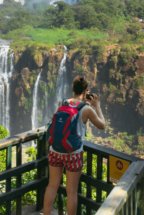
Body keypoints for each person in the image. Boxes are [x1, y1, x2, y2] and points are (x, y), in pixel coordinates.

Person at [43, 76, 105, 215]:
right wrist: (97, 106)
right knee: (71, 191)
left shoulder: (62, 102)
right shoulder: (86, 109)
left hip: (55, 150)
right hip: (73, 153)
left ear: (72, 89)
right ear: (85, 91)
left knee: (52, 186)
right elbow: (102, 126)